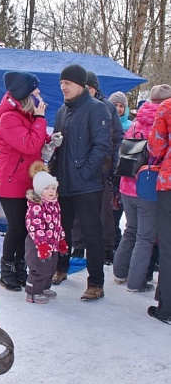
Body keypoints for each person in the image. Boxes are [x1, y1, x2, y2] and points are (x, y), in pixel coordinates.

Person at [0, 71, 62, 292]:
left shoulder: (25, 115)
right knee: (17, 227)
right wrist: (41, 120)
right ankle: (7, 271)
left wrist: (50, 140)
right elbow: (29, 145)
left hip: (26, 181)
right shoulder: (9, 118)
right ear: (26, 95)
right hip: (11, 182)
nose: (40, 96)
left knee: (27, 227)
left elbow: (35, 141)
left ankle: (21, 269)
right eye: (36, 92)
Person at [50, 64, 112, 300]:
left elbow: (102, 147)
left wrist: (84, 173)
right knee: (62, 231)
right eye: (61, 83)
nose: (63, 87)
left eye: (67, 83)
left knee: (91, 233)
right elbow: (58, 147)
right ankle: (61, 267)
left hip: (87, 185)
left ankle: (96, 282)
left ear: (81, 85)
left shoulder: (97, 109)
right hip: (63, 184)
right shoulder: (61, 112)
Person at [113, 84, 171, 292]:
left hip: (126, 184)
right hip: (147, 186)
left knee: (130, 230)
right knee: (145, 237)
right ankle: (136, 283)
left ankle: (119, 272)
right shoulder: (163, 120)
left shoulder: (136, 121)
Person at [71, 71, 124, 265]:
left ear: (96, 89)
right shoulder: (73, 106)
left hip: (103, 167)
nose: (86, 92)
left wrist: (114, 165)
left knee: (104, 212)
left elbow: (118, 138)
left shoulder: (108, 107)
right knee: (78, 211)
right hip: (78, 167)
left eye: (90, 88)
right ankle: (78, 246)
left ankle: (107, 248)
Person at [25, 161, 68, 303]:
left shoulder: (55, 205)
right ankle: (32, 292)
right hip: (38, 245)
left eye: (53, 188)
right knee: (39, 268)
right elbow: (34, 227)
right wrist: (42, 244)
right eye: (47, 188)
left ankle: (44, 288)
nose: (51, 191)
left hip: (52, 244)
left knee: (50, 268)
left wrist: (61, 239)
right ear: (38, 190)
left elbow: (57, 224)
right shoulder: (37, 207)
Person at [146, 94, 171, 323]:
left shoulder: (167, 106)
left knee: (168, 247)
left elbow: (156, 146)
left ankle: (167, 309)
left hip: (170, 183)